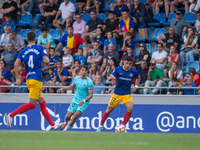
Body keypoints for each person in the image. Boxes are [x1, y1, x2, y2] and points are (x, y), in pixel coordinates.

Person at [4, 31, 63, 130]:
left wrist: (18, 79)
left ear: (27, 40)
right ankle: (10, 115)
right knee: (32, 105)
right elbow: (47, 60)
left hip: (29, 79)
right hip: (36, 79)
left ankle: (53, 125)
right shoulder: (39, 47)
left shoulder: (23, 51)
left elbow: (15, 64)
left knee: (42, 104)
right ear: (35, 39)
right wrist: (47, 65)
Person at [96, 56, 141, 132]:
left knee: (130, 107)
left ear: (131, 63)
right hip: (117, 93)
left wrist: (136, 86)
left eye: (129, 64)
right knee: (109, 109)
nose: (128, 65)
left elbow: (138, 77)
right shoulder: (118, 69)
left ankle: (123, 126)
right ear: (123, 61)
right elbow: (110, 78)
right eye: (126, 63)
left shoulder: (133, 71)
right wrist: (111, 78)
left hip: (126, 94)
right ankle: (100, 126)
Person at [57, 64, 93, 131]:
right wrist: (63, 88)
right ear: (80, 71)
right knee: (68, 116)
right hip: (75, 100)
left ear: (87, 71)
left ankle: (65, 130)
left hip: (84, 102)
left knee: (75, 116)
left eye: (85, 70)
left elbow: (91, 95)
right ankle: (65, 122)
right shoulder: (76, 79)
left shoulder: (89, 82)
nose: (84, 71)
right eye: (82, 70)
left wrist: (83, 101)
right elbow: (72, 87)